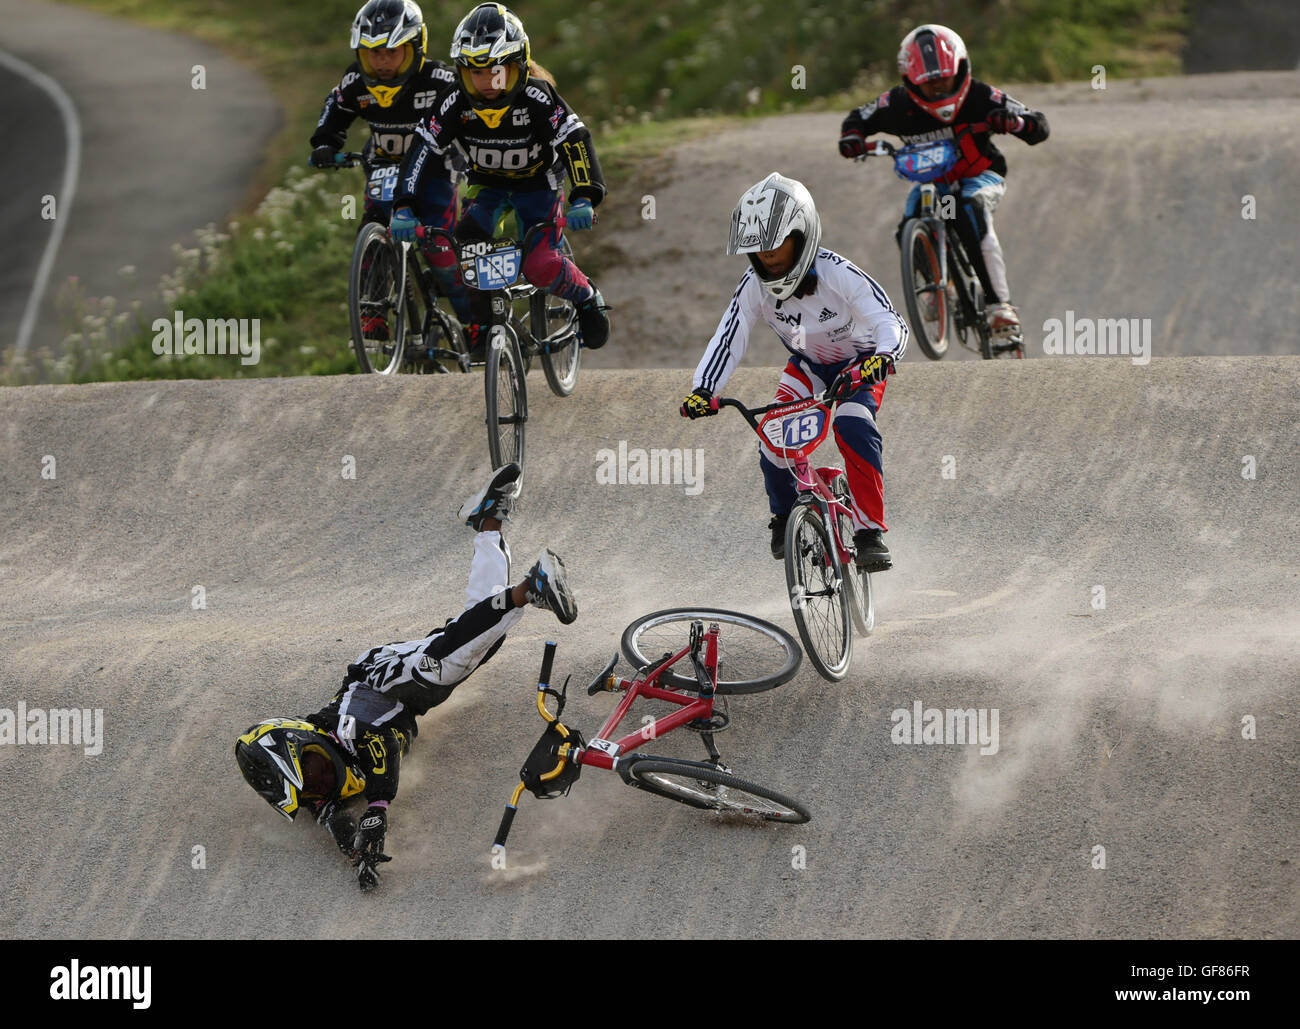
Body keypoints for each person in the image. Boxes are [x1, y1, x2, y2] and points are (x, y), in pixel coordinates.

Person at [234, 463, 577, 891]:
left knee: (449, 660)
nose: (320, 780)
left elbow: (379, 749)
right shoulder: (315, 790)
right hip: (403, 691)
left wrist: (377, 808)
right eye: (307, 786)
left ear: (303, 738)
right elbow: (332, 818)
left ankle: (531, 587)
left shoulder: (342, 729)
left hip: (381, 682)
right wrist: (359, 853)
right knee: (477, 641)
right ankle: (488, 519)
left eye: (311, 767)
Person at [680, 174, 907, 571]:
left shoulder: (838, 273)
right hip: (808, 367)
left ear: (802, 236)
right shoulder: (753, 285)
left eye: (776, 243)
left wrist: (884, 356)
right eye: (758, 247)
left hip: (860, 365)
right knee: (773, 440)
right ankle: (784, 516)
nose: (766, 255)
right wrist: (703, 388)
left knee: (853, 423)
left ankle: (870, 532)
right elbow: (728, 337)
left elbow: (890, 321)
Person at [391, 2, 610, 354]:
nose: (486, 82)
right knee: (466, 247)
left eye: (496, 71)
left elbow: (575, 142)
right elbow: (421, 149)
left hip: (539, 186)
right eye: (474, 73)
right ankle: (486, 325)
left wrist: (584, 196)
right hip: (488, 187)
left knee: (538, 266)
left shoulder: (539, 97)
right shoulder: (454, 101)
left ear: (518, 66)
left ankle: (585, 295)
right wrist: (403, 205)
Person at [838, 23, 1049, 340]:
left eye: (945, 78)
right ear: (909, 82)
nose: (938, 89)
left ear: (961, 68)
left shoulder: (981, 95)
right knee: (906, 226)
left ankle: (998, 305)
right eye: (929, 83)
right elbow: (858, 118)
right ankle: (938, 287)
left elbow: (1039, 126)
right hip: (932, 183)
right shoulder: (896, 105)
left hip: (981, 175)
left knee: (969, 210)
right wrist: (853, 137)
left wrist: (1014, 122)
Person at [308, 0, 471, 327]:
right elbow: (335, 109)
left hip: (434, 170)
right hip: (382, 165)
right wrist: (325, 143)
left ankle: (477, 323)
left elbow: (471, 115)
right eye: (373, 53)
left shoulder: (440, 79)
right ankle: (373, 315)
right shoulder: (355, 80)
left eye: (391, 52)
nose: (381, 62)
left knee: (441, 249)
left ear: (414, 47)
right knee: (370, 234)